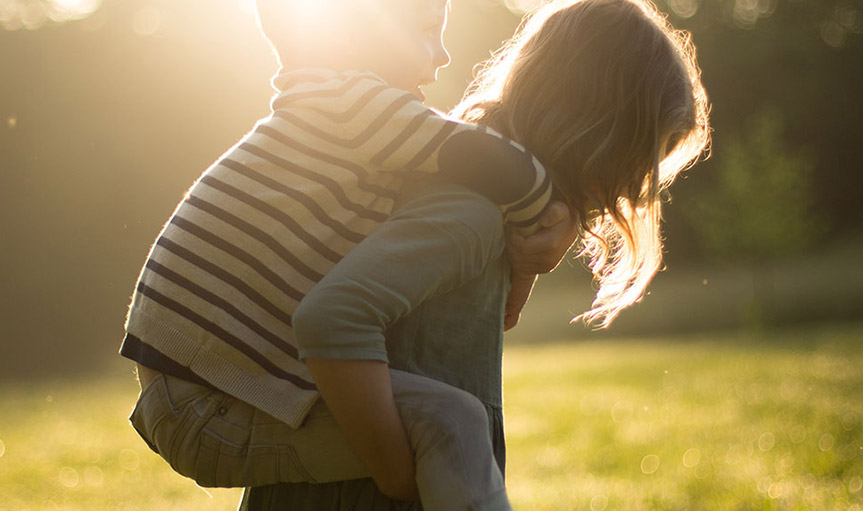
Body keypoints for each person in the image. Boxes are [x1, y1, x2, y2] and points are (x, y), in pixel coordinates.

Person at [243, 0, 710, 509]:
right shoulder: (471, 214)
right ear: (601, 131)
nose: (635, 190)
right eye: (644, 155)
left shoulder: (484, 199)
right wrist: (397, 473)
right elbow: (334, 319)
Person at [122, 0, 572, 509]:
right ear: (356, 36)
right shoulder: (351, 106)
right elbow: (492, 162)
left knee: (449, 421)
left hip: (201, 390)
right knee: (452, 424)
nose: (443, 55)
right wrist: (549, 218)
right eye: (427, 31)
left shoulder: (336, 114)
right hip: (204, 403)